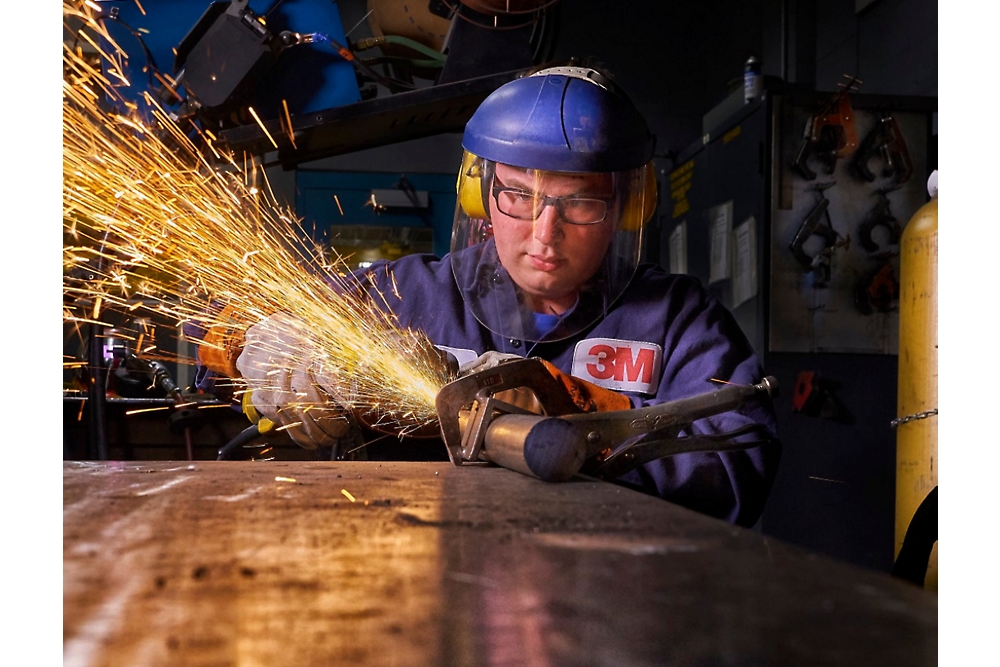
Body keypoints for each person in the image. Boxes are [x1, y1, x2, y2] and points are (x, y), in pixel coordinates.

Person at [214, 63, 780, 527]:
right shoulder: (407, 292)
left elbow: (739, 467)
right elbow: (206, 330)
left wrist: (570, 410)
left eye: (579, 202)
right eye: (518, 195)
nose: (544, 234)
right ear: (480, 193)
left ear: (629, 205)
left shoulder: (677, 318)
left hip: (611, 592)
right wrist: (266, 348)